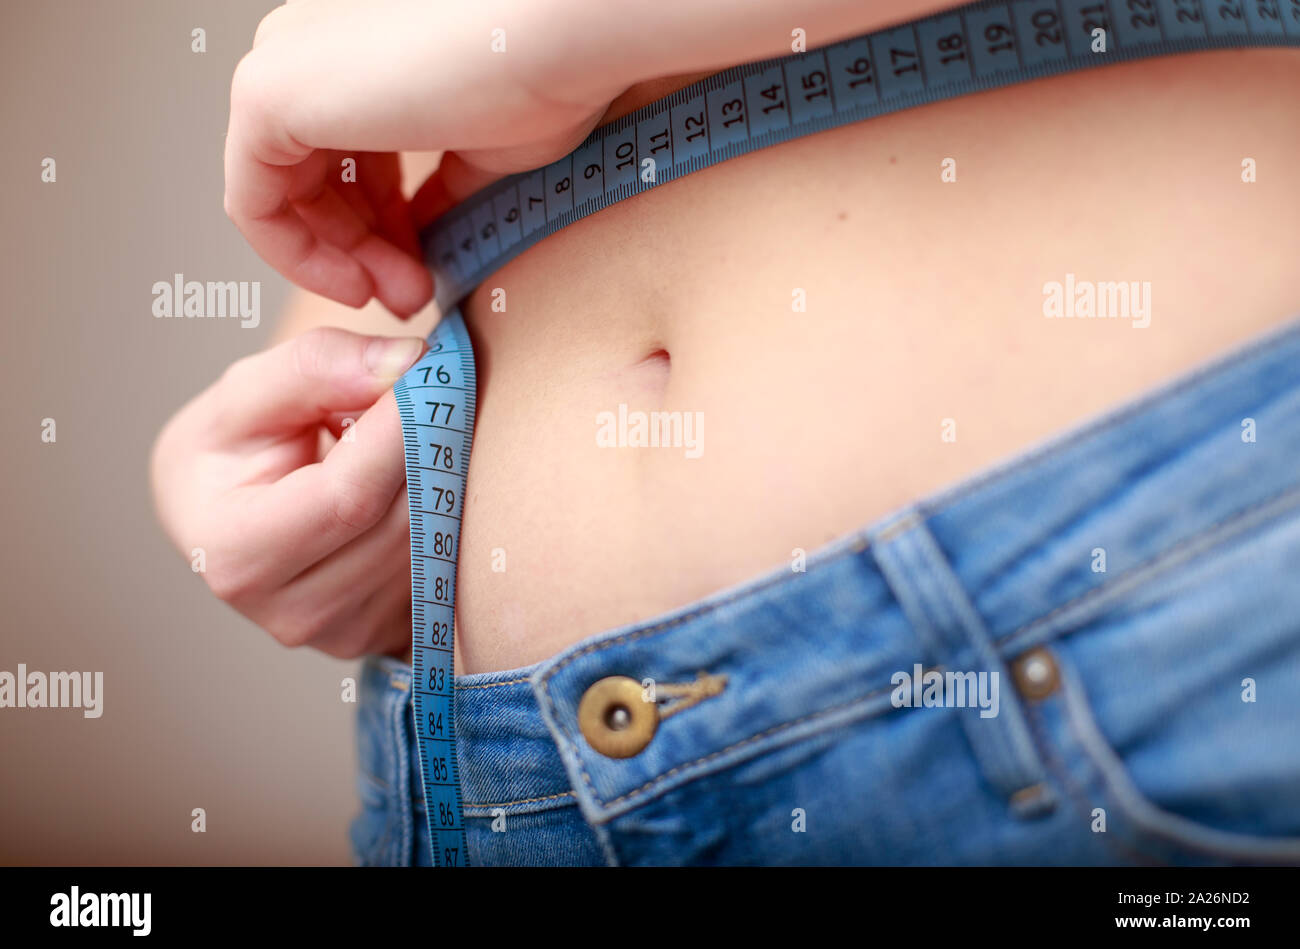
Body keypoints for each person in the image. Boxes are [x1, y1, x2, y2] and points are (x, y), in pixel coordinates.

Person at [150, 0, 1300, 864]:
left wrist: (553, 26)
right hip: (491, 769)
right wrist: (304, 446)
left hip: (1135, 596)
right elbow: (404, 147)